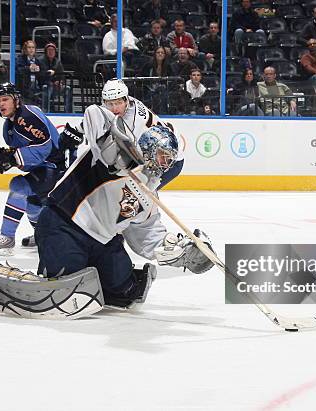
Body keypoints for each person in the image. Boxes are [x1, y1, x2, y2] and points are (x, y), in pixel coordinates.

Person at [33, 79, 208, 309]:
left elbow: (147, 236)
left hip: (103, 240)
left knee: (127, 291)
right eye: (162, 156)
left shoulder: (150, 192)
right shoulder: (107, 151)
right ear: (147, 151)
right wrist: (118, 150)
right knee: (64, 296)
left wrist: (179, 252)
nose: (165, 164)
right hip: (65, 224)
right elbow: (94, 115)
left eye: (169, 159)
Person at [0, 83, 78, 255]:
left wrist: (11, 158)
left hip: (58, 167)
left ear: (16, 100)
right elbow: (26, 159)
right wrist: (1, 158)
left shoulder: (27, 116)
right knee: (32, 204)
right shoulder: (8, 126)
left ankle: (7, 237)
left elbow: (43, 148)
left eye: (5, 99)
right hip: (46, 168)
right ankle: (42, 235)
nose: (1, 104)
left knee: (19, 187)